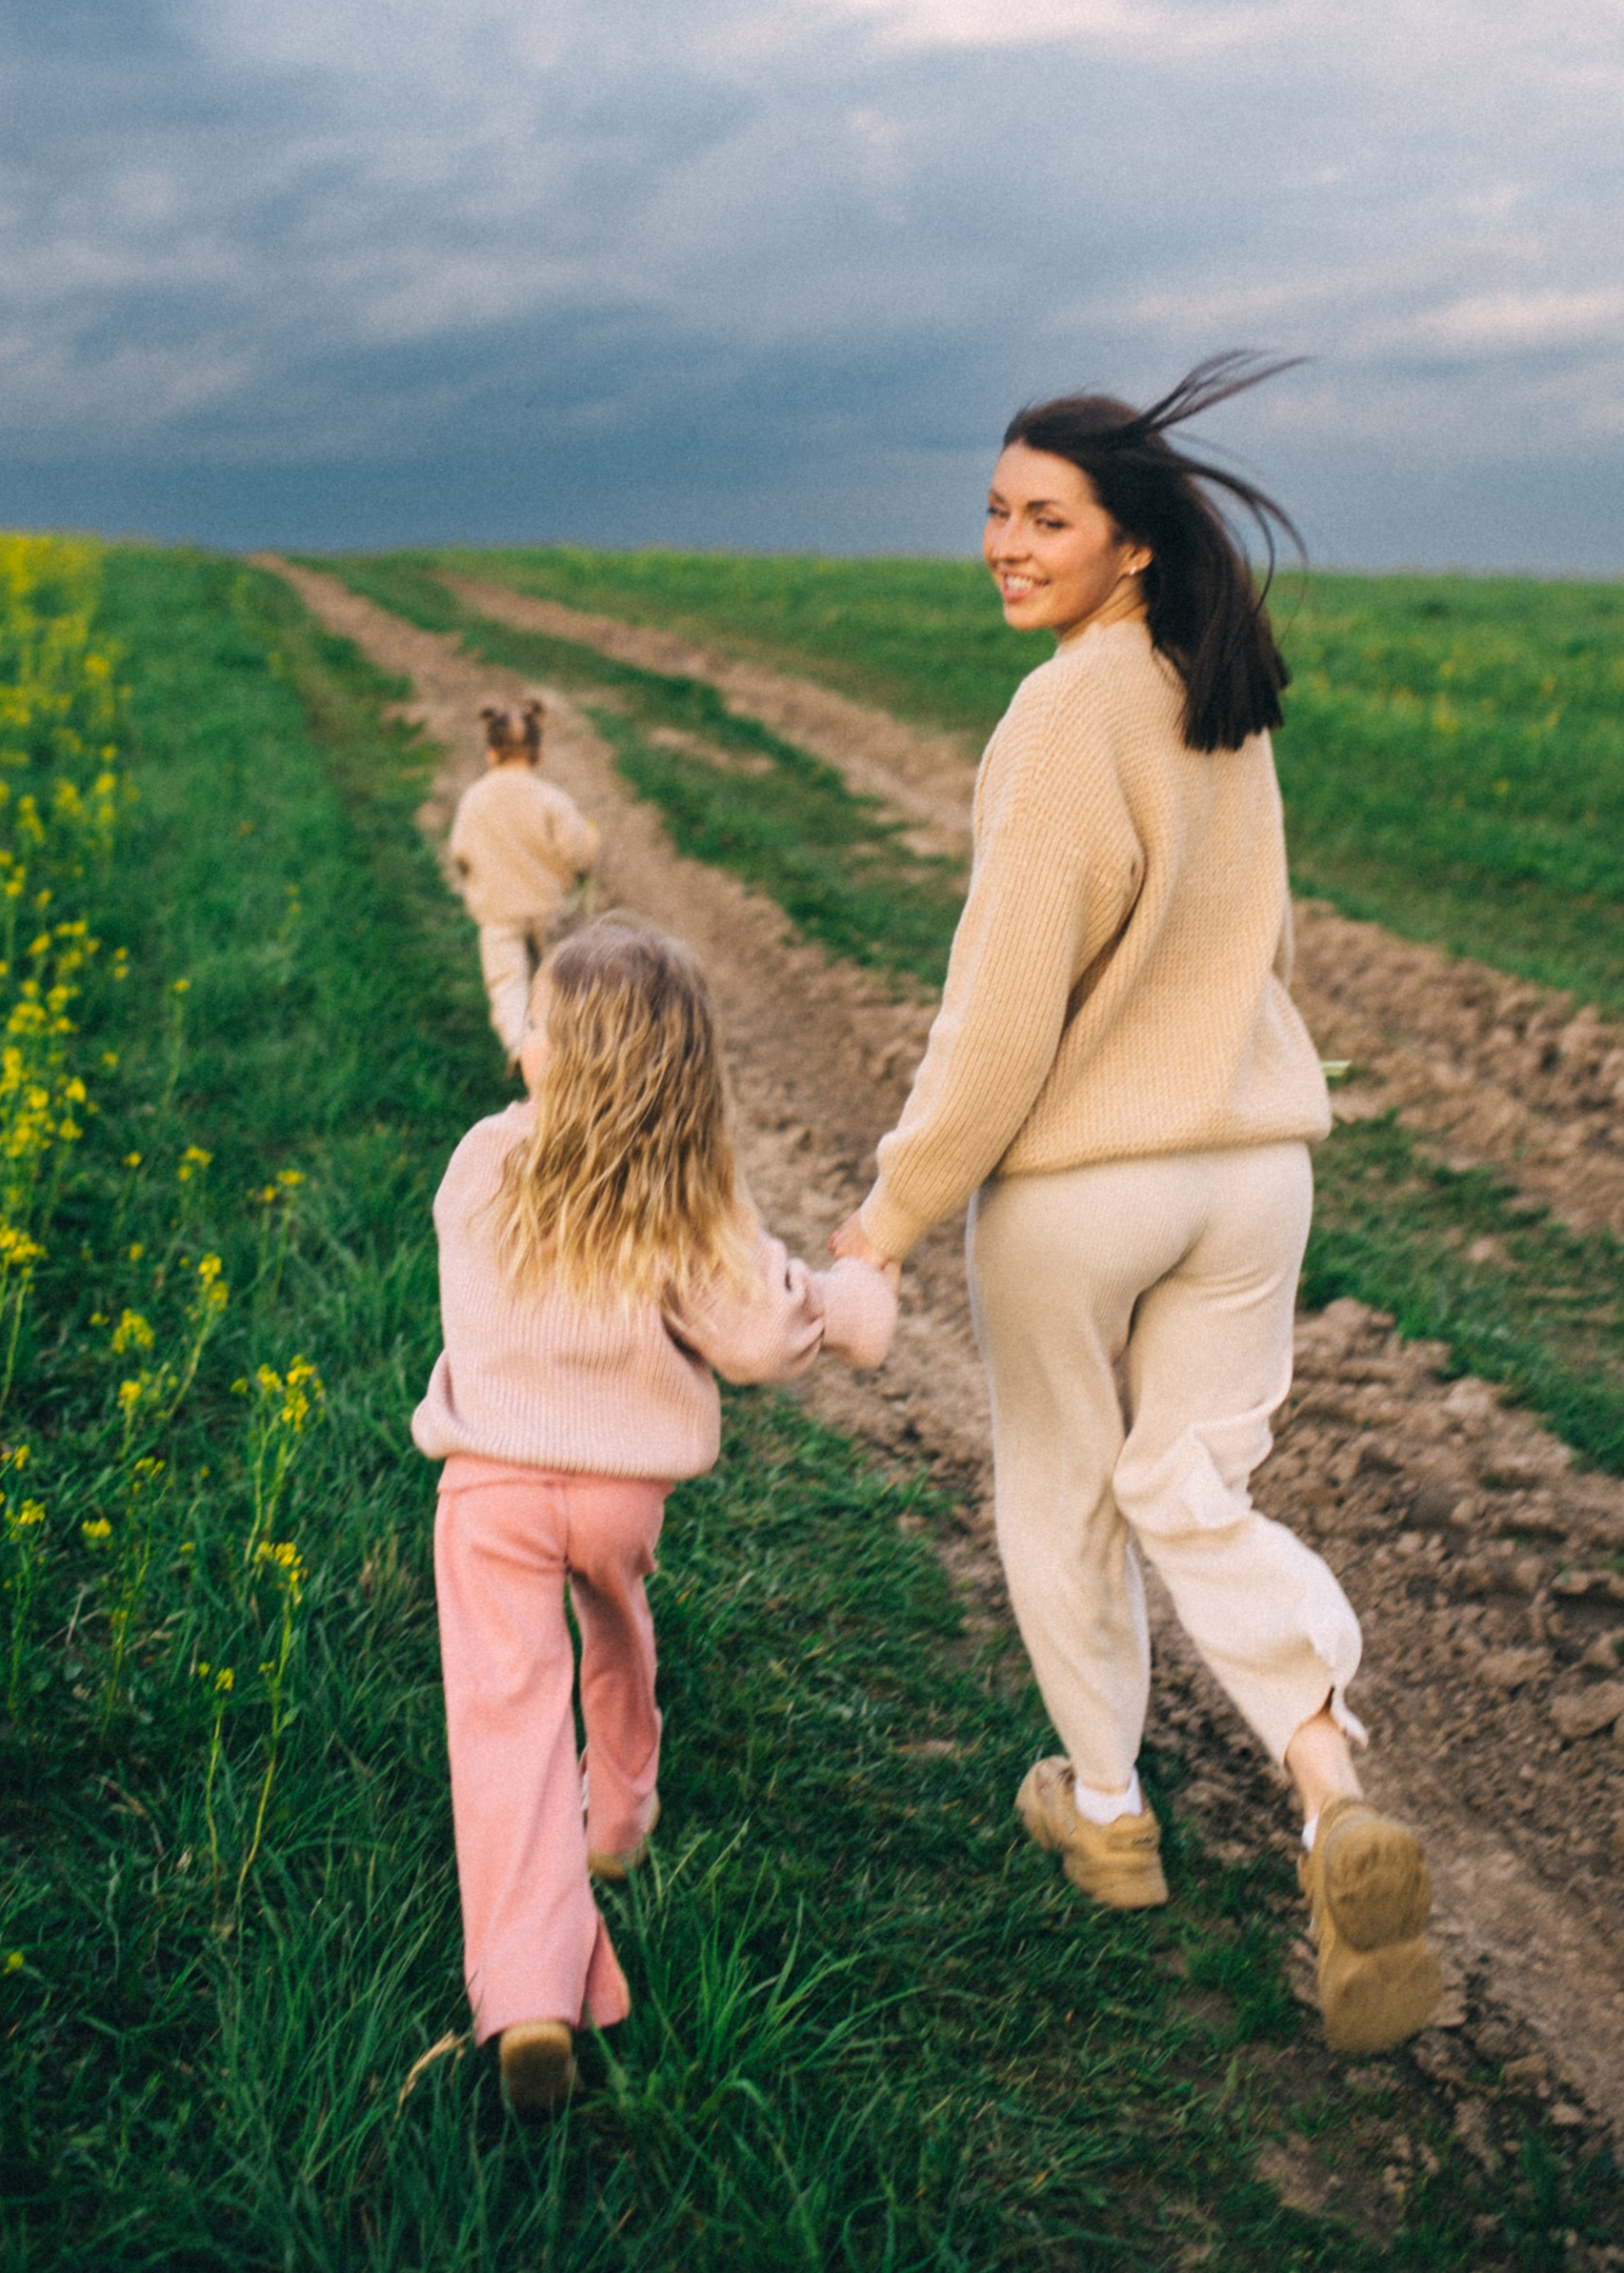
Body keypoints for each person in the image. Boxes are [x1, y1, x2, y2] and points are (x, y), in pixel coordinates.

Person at [830, 353, 1439, 2058]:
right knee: (1190, 1484)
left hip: (1086, 1184)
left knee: (1062, 1488)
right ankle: (1325, 1786)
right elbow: (1266, 946)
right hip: (1251, 1170)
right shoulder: (1217, 690)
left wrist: (883, 1222)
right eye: (994, 512)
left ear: (1132, 544)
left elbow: (999, 1019)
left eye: (1045, 519)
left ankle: (1105, 1809)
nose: (1003, 545)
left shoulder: (1062, 713)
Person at [413, 915, 898, 2111]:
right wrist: (848, 1301)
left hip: (490, 1490)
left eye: (539, 1029)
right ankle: (620, 1813)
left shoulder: (483, 1159)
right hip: (620, 1497)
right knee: (616, 1620)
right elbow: (758, 1330)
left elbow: (474, 1263)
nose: (522, 1043)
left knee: (505, 1719)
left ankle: (529, 1993)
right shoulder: (684, 1198)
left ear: (566, 1060)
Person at [448, 698, 600, 1061]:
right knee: (563, 981)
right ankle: (569, 1050)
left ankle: (521, 1051)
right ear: (539, 753)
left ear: (490, 753)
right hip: (550, 906)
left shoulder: (474, 799)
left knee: (507, 984)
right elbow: (577, 852)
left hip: (499, 909)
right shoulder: (552, 800)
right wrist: (591, 844)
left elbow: (460, 852)